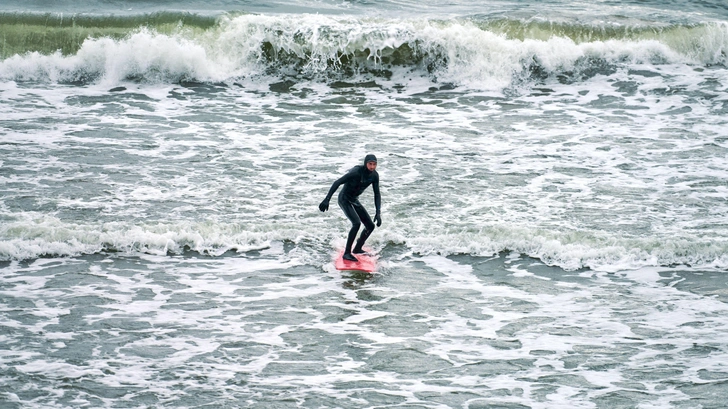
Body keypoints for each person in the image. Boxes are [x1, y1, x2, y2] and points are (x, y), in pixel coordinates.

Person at [319, 154, 382, 262]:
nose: (372, 167)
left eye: (374, 164)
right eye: (370, 164)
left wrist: (378, 212)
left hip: (354, 199)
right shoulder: (356, 172)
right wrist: (327, 199)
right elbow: (337, 182)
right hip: (344, 199)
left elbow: (377, 194)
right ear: (365, 163)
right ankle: (347, 253)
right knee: (356, 223)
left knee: (370, 226)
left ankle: (357, 248)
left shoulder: (374, 176)